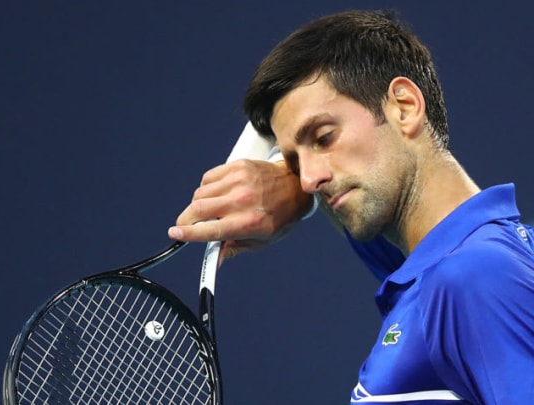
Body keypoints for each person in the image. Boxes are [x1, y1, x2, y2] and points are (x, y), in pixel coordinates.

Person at [168, 10, 534, 404]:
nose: (308, 179)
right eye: (294, 161)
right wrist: (294, 187)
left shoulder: (472, 279)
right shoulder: (440, 264)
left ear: (405, 107)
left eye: (324, 137)